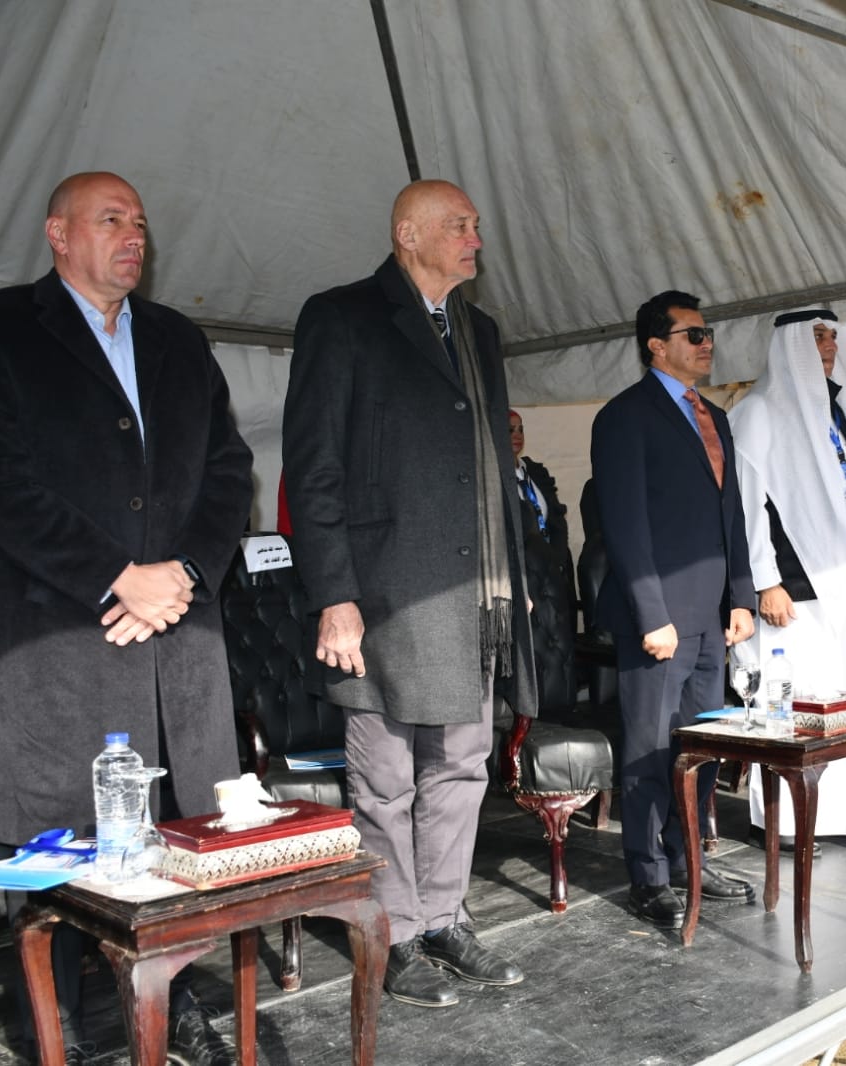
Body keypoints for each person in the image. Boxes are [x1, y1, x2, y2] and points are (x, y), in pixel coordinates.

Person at [0, 171, 253, 1063]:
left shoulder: (177, 337)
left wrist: (183, 574)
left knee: (180, 829)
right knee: (60, 838)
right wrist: (118, 577)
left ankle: (177, 993)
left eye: (141, 223)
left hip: (177, 636)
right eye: (112, 219)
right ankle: (56, 1022)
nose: (133, 236)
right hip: (64, 634)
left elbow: (229, 468)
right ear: (57, 233)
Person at [284, 179, 532, 1009]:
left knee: (460, 767)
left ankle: (444, 920)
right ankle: (393, 933)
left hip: (468, 593)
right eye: (458, 225)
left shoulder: (478, 330)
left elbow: (489, 467)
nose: (475, 238)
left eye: (475, 226)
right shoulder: (341, 316)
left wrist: (509, 580)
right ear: (407, 233)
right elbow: (313, 467)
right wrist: (334, 595)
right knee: (386, 777)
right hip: (381, 595)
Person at [591, 290, 757, 929]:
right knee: (650, 751)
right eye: (694, 334)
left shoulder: (714, 416)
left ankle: (689, 859)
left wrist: (741, 595)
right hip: (659, 621)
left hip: (713, 618)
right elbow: (625, 525)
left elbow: (730, 514)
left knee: (701, 747)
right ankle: (649, 875)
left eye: (708, 333)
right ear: (657, 346)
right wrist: (650, 614)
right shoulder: (625, 416)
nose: (707, 343)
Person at [729, 307, 846, 844]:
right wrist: (765, 581)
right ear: (790, 344)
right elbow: (747, 508)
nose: (829, 346)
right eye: (816, 336)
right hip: (789, 591)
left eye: (834, 336)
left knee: (838, 707)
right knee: (790, 708)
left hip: (841, 584)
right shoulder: (758, 412)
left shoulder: (840, 409)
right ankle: (784, 823)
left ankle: (838, 816)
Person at [510, 408, 578, 714]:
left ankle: (560, 707)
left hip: (551, 569)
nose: (516, 435)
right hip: (525, 571)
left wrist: (558, 557)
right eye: (509, 430)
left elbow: (556, 517)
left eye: (520, 429)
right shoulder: (496, 474)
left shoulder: (534, 471)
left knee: (559, 645)